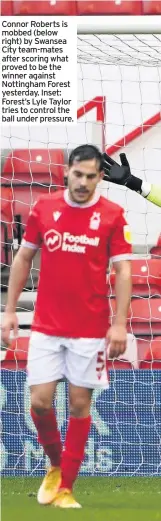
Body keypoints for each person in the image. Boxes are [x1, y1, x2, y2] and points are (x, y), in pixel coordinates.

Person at [1, 144, 132, 509]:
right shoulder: (44, 209)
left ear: (100, 177)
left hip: (90, 330)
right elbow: (24, 257)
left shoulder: (112, 215)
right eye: (78, 174)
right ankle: (56, 466)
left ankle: (66, 489)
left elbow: (123, 270)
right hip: (45, 326)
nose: (84, 182)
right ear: (67, 173)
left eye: (91, 176)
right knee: (40, 404)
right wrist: (10, 310)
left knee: (78, 405)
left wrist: (119, 325)